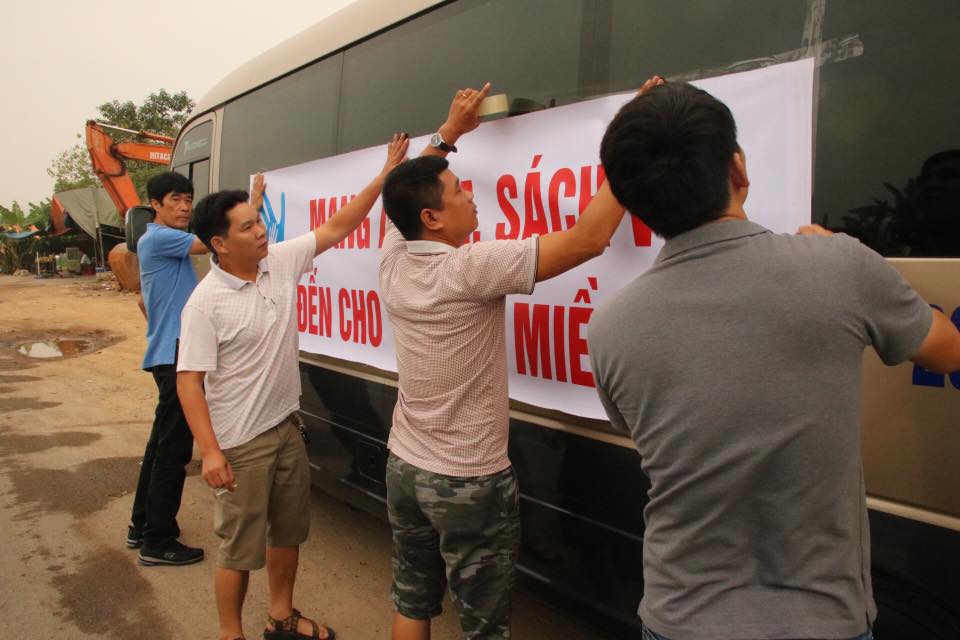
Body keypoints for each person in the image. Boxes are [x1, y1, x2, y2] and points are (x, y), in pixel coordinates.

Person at [589, 81, 960, 640]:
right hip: (822, 622)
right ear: (737, 167)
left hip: (678, 619)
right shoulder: (838, 267)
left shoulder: (608, 326)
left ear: (633, 204)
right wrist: (852, 269)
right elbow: (948, 350)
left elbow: (639, 428)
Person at [378, 78, 661, 640]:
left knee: (413, 599)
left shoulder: (393, 257)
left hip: (404, 465)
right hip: (466, 480)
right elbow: (587, 239)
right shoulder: (468, 267)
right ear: (432, 218)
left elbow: (402, 195)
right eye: (458, 191)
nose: (470, 196)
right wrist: (634, 136)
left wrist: (448, 134)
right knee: (485, 625)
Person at [176, 134, 408, 640]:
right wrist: (210, 451)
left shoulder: (278, 261)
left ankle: (280, 618)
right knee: (238, 548)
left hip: (286, 427)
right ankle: (230, 633)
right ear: (219, 244)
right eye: (247, 227)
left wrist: (386, 174)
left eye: (258, 221)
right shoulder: (205, 304)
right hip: (240, 444)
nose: (261, 231)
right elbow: (188, 381)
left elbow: (339, 224)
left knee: (288, 533)